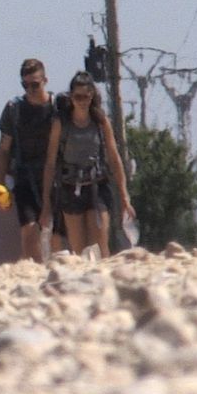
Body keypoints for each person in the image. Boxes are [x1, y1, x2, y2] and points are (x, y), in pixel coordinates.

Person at [38, 71, 135, 258]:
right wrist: (46, 204)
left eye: (86, 96)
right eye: (78, 97)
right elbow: (50, 163)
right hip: (70, 188)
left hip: (97, 186)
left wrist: (124, 196)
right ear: (71, 97)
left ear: (92, 96)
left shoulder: (100, 121)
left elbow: (114, 158)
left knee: (100, 245)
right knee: (80, 250)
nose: (82, 101)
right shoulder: (61, 123)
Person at [0, 58, 64, 262]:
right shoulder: (14, 109)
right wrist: (0, 185)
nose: (31, 89)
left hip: (55, 178)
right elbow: (4, 149)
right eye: (26, 85)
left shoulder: (57, 107)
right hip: (25, 177)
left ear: (45, 81)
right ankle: (32, 273)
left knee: (56, 234)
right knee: (29, 230)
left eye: (35, 84)